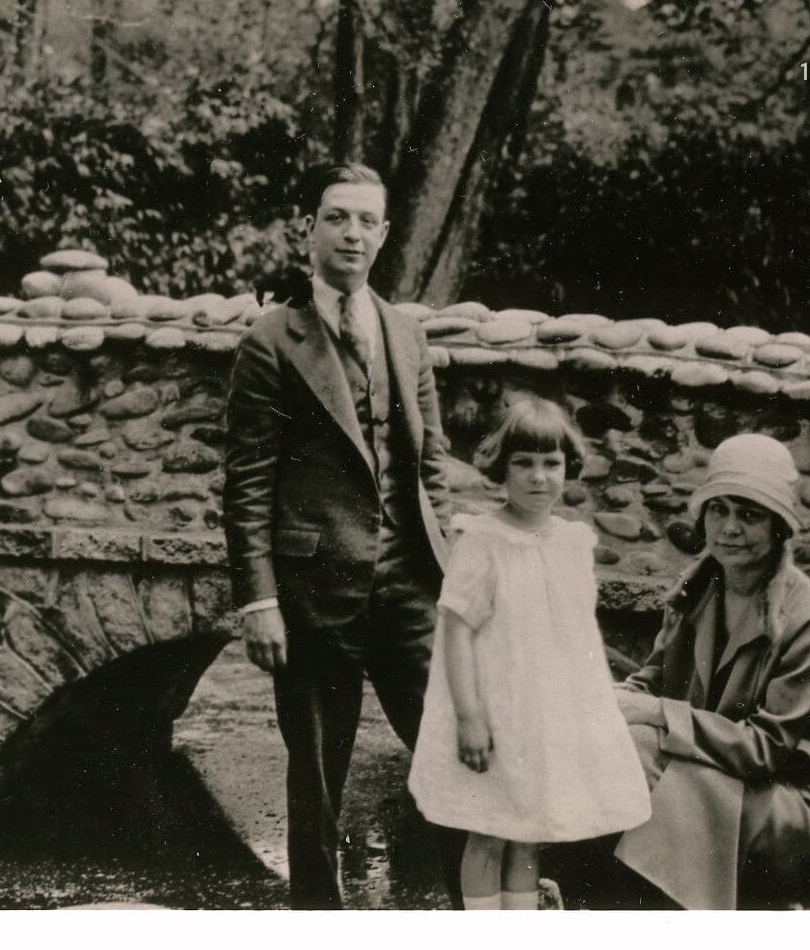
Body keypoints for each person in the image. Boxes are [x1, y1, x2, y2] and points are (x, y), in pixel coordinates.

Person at [222, 163, 456, 909]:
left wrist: (447, 565)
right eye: (335, 217)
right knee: (318, 774)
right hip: (314, 590)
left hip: (409, 585)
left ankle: (472, 910)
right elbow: (247, 481)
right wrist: (259, 600)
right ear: (309, 230)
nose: (351, 234)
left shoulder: (406, 334)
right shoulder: (270, 340)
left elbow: (432, 463)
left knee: (453, 751)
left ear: (383, 235)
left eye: (364, 221)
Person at [408, 397, 652, 910]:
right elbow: (456, 632)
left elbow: (575, 636)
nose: (538, 477)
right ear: (502, 467)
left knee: (528, 831)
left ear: (568, 466)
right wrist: (469, 717)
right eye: (523, 463)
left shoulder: (572, 543)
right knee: (488, 830)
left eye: (551, 463)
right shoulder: (483, 541)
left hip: (542, 719)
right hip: (496, 715)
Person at [612, 432, 810, 909]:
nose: (728, 528)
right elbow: (653, 680)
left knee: (640, 750)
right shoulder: (697, 588)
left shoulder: (807, 618)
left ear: (779, 527)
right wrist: (606, 703)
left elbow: (766, 750)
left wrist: (654, 714)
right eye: (717, 510)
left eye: (749, 515)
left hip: (788, 796)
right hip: (716, 766)